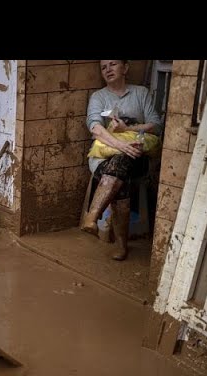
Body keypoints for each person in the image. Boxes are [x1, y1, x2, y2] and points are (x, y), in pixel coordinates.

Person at [81, 60, 163, 261]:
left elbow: (156, 125)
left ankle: (93, 215)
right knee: (119, 167)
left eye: (113, 64)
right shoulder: (99, 97)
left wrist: (127, 130)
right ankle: (121, 245)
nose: (108, 69)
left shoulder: (140, 93)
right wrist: (120, 145)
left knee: (123, 163)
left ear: (125, 68)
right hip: (105, 157)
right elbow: (94, 127)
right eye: (103, 67)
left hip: (137, 156)